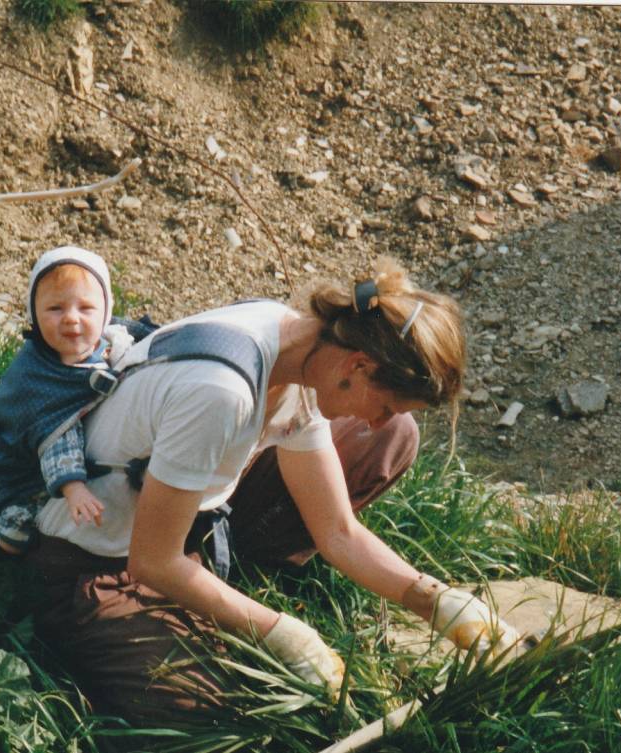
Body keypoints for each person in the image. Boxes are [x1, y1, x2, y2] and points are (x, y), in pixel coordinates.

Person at [25, 256, 522, 723]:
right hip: (92, 561)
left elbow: (338, 531)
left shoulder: (306, 354)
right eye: (386, 405)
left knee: (393, 441)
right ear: (359, 367)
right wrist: (281, 632)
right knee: (220, 710)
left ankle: (217, 590)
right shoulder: (219, 391)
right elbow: (152, 562)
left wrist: (433, 599)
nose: (376, 421)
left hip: (178, 520)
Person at [0, 246, 132, 555]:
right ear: (34, 314)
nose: (71, 319)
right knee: (16, 532)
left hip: (95, 440)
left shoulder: (111, 343)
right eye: (55, 309)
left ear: (106, 312)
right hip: (29, 466)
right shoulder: (36, 376)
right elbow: (54, 433)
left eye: (86, 308)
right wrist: (73, 488)